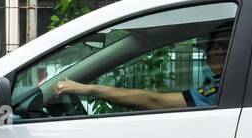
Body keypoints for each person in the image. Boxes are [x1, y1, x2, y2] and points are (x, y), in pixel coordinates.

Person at [52, 23, 231, 111]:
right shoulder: (224, 88)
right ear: (206, 55)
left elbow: (155, 101)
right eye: (218, 47)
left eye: (228, 46)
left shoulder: (222, 90)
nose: (221, 53)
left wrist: (89, 89)